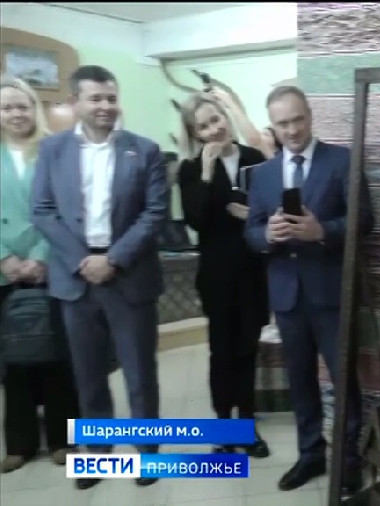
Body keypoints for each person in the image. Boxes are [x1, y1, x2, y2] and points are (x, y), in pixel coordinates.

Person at [30, 65, 168, 490]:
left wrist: (114, 259)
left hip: (128, 277)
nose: (106, 106)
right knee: (88, 375)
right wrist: (81, 261)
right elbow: (42, 210)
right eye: (96, 98)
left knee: (139, 374)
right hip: (76, 281)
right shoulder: (52, 150)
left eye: (111, 98)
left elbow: (155, 213)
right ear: (76, 103)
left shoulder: (144, 150)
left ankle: (147, 456)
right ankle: (97, 456)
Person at [244, 85, 374, 494]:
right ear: (273, 126)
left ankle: (348, 462)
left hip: (332, 292)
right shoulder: (263, 175)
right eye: (283, 123)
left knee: (343, 379)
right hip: (287, 295)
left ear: (310, 116)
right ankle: (310, 454)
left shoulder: (342, 160)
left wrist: (322, 231)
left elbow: (365, 220)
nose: (292, 130)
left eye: (298, 119)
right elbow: (251, 231)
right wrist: (268, 234)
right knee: (300, 380)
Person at [176, 93, 270, 456]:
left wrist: (253, 216)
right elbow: (196, 220)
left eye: (216, 119)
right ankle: (223, 426)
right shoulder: (190, 169)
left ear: (226, 117)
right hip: (217, 277)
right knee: (222, 352)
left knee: (247, 350)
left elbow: (271, 209)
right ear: (195, 134)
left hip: (253, 273)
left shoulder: (253, 158)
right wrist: (205, 171)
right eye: (204, 126)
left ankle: (247, 425)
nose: (214, 129)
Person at [0, 76, 81, 473]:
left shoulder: (55, 150)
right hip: (4, 273)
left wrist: (42, 257)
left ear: (34, 108)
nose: (16, 113)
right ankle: (20, 443)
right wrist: (4, 259)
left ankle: (63, 440)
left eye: (23, 105)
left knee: (56, 356)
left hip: (52, 266)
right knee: (13, 359)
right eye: (7, 107)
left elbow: (67, 209)